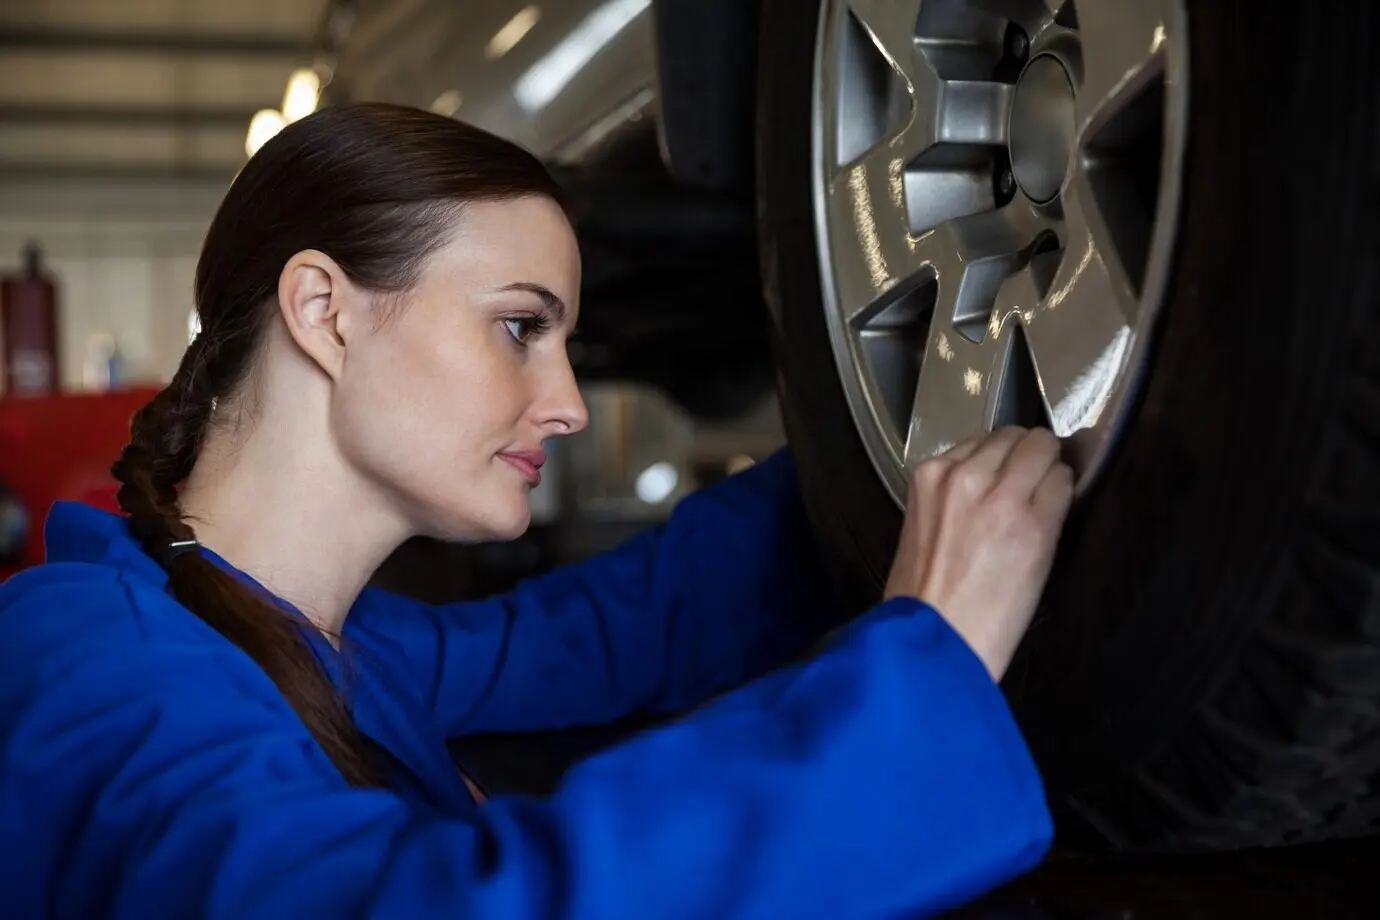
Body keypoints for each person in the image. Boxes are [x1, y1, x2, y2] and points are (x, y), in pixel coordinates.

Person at [0, 103, 1075, 919]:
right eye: (520, 326)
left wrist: (891, 448)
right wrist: (921, 665)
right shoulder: (84, 653)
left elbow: (616, 626)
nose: (565, 405)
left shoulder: (324, 638)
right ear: (324, 313)